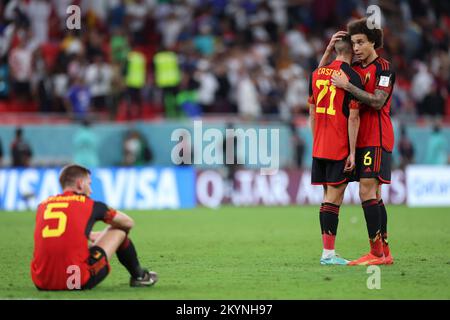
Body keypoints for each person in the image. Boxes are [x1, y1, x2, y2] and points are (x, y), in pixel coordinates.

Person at [326, 18, 396, 265]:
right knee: (375, 193)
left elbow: (377, 101)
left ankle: (375, 253)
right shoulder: (354, 66)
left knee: (367, 189)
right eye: (353, 42)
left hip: (376, 137)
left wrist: (348, 86)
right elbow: (321, 76)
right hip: (358, 139)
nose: (355, 48)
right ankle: (384, 252)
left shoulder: (384, 68)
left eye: (360, 42)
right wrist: (328, 51)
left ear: (373, 42)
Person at [31, 164, 158, 290]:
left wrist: (90, 235)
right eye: (89, 184)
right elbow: (128, 222)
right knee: (119, 229)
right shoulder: (90, 205)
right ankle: (140, 276)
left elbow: (60, 233)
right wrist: (105, 234)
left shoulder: (42, 205)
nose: (90, 190)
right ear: (80, 184)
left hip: (42, 282)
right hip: (75, 281)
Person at [308, 36, 362, 265]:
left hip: (319, 144)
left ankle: (328, 251)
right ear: (351, 50)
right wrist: (352, 152)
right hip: (338, 145)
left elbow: (311, 111)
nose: (359, 49)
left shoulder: (317, 73)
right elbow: (353, 117)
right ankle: (328, 254)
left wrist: (316, 138)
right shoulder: (351, 77)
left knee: (327, 198)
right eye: (357, 46)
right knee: (334, 198)